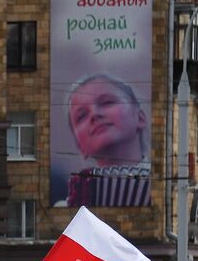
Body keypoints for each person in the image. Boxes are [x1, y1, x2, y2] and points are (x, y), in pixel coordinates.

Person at [62, 73, 151, 207]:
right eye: (81, 116)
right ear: (80, 147)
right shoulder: (68, 207)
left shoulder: (165, 183)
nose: (94, 114)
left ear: (140, 118)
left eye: (107, 102)